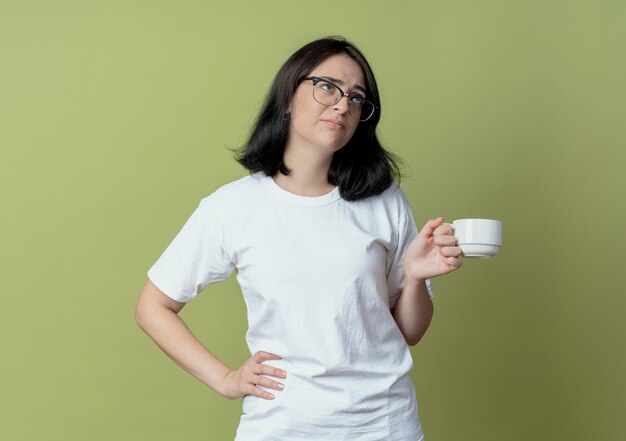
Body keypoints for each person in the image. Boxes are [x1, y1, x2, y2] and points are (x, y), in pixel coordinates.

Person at [135, 36, 462, 441]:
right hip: (281, 426)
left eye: (357, 98)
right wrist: (225, 379)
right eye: (327, 87)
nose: (343, 105)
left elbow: (410, 331)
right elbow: (153, 306)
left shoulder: (383, 200)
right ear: (288, 97)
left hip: (384, 425)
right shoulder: (235, 206)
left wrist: (414, 278)